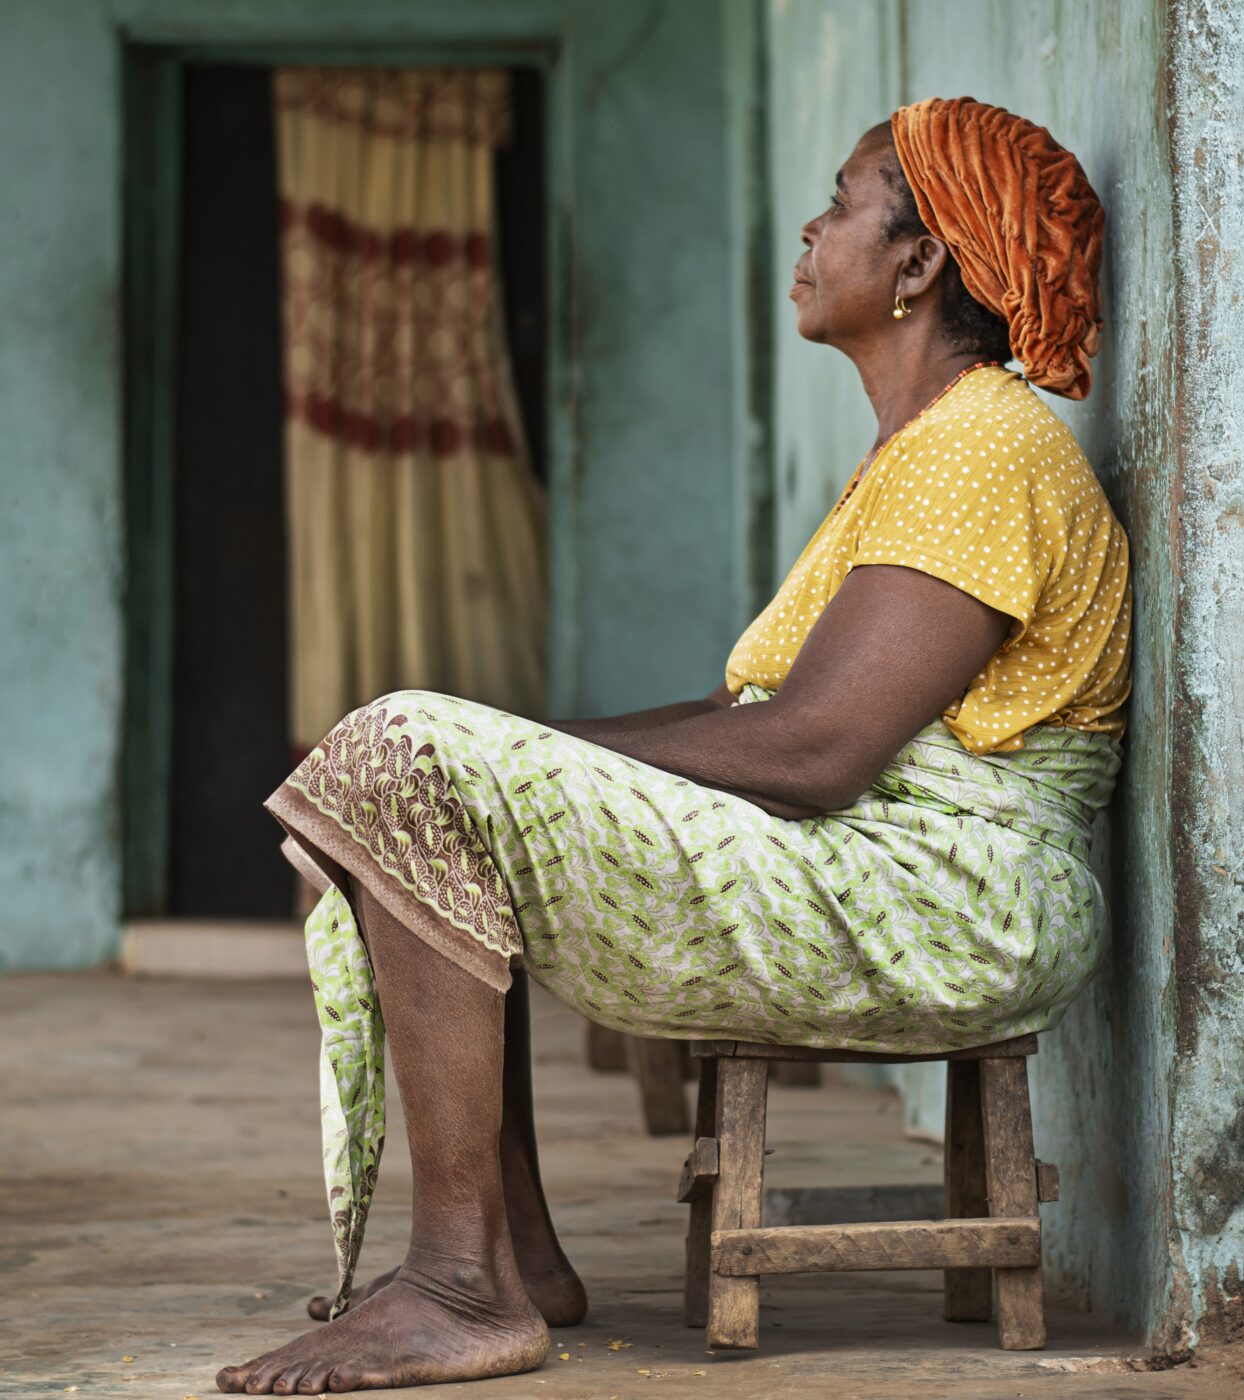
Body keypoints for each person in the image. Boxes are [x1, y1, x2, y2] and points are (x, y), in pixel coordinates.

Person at [216, 95, 1131, 1394]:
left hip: (953, 899)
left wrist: (480, 764)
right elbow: (743, 719)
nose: (810, 232)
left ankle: (462, 1288)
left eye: (841, 205)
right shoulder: (922, 450)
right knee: (409, 774)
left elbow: (815, 753)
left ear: (921, 263)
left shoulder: (984, 446)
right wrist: (504, 753)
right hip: (886, 871)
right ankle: (509, 1257)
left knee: (412, 760)